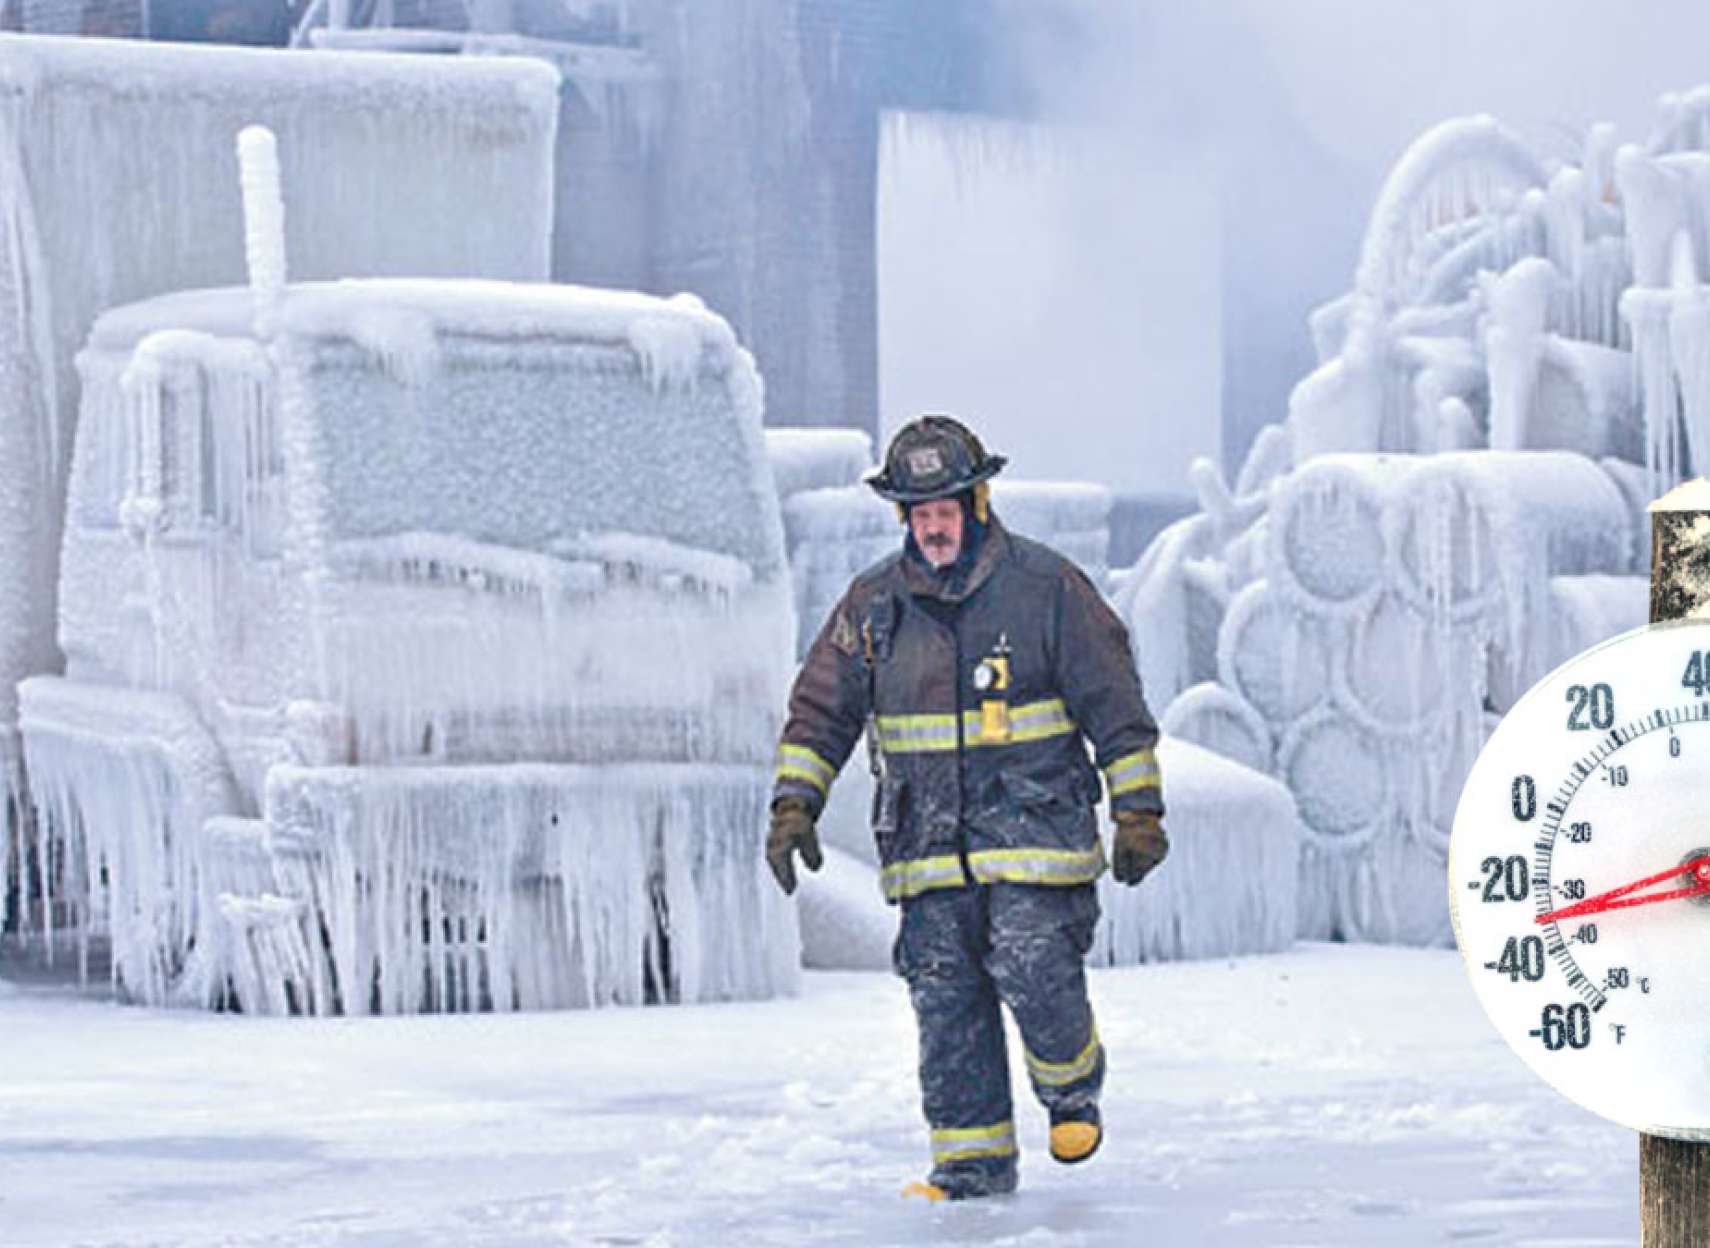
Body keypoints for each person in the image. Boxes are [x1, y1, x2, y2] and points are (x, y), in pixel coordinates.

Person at [766, 414, 1168, 1201]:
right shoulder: (873, 605)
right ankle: (971, 1165)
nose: (934, 527)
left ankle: (1072, 1090)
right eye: (920, 514)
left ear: (977, 504)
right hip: (926, 847)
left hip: (1036, 837)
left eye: (946, 510)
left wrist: (1138, 811)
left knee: (1031, 962)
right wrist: (794, 805)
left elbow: (1115, 706)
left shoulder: (1047, 589)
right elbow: (821, 710)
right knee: (944, 997)